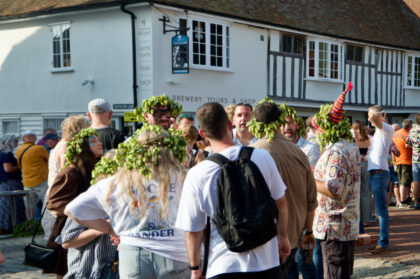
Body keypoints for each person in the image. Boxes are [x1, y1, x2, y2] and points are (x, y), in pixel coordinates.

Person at [176, 102, 290, 279]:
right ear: (230, 124)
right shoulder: (261, 156)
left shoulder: (197, 173)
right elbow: (281, 203)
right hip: (267, 262)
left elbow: (193, 230)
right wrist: (283, 237)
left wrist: (195, 268)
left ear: (202, 134)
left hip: (223, 264)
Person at [65, 124, 190, 279]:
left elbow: (72, 209)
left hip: (133, 254)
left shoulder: (118, 181)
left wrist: (109, 228)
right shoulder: (185, 177)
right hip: (175, 253)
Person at [249, 101, 317, 279]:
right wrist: (308, 231)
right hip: (293, 235)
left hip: (263, 236)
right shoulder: (299, 152)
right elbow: (311, 199)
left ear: (256, 124)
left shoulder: (250, 153)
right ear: (279, 122)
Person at [311, 83, 360, 279]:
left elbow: (334, 189)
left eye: (317, 129)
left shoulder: (337, 151)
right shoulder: (349, 146)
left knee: (335, 274)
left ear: (325, 129)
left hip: (335, 227)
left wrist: (310, 177)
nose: (315, 132)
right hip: (342, 226)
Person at [46, 128, 102, 276]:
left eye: (98, 140)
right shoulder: (71, 172)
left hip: (90, 228)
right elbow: (54, 204)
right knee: (68, 270)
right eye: (93, 141)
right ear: (83, 147)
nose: (99, 144)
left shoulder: (96, 168)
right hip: (69, 229)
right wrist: (81, 209)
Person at [42, 115, 91, 241]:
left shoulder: (61, 144)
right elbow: (67, 173)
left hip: (56, 195)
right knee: (59, 239)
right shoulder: (66, 146)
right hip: (60, 198)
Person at [367, 105, 394, 254]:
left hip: (379, 173)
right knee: (380, 211)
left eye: (370, 115)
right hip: (376, 172)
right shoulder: (379, 131)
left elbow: (376, 120)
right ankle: (382, 241)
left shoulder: (386, 128)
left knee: (381, 211)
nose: (369, 118)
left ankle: (383, 243)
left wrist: (374, 114)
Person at [16, 130, 49, 217]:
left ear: (23, 138)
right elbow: (49, 160)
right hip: (42, 180)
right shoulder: (40, 148)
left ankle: (30, 227)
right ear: (34, 138)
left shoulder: (19, 150)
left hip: (27, 182)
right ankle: (49, 225)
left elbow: (20, 166)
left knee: (29, 206)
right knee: (47, 204)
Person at [0, 135, 26, 234]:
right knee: (10, 207)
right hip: (9, 184)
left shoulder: (2, 153)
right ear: (9, 142)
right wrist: (20, 166)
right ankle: (8, 228)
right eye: (15, 141)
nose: (16, 143)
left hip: (3, 184)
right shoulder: (7, 154)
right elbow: (8, 169)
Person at [352, 120, 371, 233]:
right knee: (366, 192)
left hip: (357, 163)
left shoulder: (354, 139)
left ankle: (358, 218)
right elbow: (370, 152)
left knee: (357, 193)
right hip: (366, 163)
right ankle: (365, 219)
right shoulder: (368, 138)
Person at [393, 119, 414, 208]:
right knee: (404, 181)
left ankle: (407, 198)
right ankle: (402, 201)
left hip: (398, 160)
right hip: (406, 160)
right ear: (409, 127)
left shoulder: (395, 134)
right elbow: (411, 146)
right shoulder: (408, 135)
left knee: (402, 180)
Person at [406, 113, 420, 210]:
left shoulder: (413, 130)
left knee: (416, 182)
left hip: (415, 159)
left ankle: (416, 202)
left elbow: (407, 145)